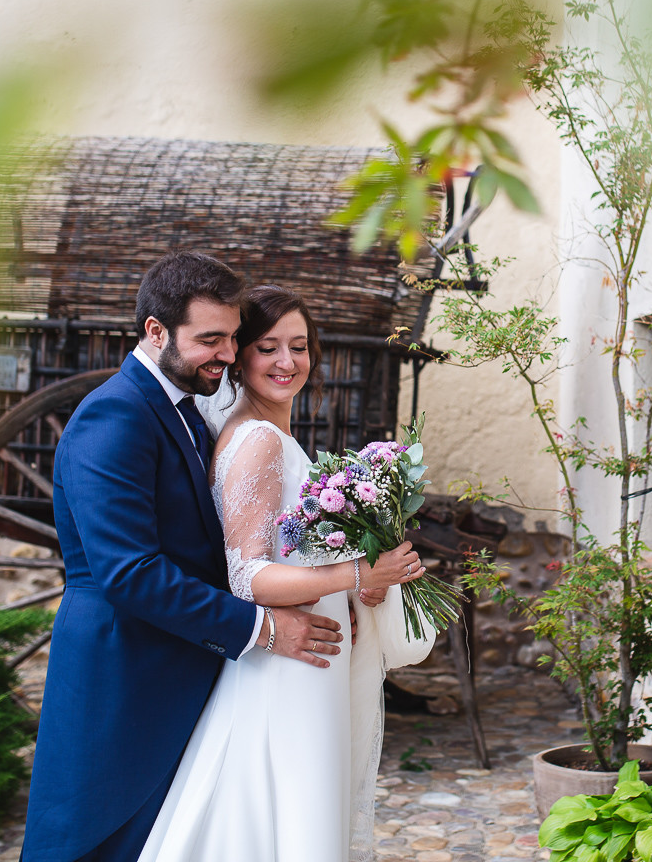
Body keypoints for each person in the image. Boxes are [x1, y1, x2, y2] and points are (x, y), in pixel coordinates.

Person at [22, 254, 347, 862]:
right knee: (90, 840)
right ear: (155, 331)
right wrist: (263, 628)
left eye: (230, 338)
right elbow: (129, 572)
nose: (226, 355)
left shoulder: (190, 413)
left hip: (186, 665)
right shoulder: (113, 416)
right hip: (122, 671)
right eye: (210, 340)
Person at [137, 284, 431, 862]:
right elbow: (247, 578)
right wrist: (358, 571)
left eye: (300, 346)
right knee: (285, 812)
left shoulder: (275, 436)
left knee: (300, 811)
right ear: (241, 358)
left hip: (313, 649)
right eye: (268, 347)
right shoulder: (258, 442)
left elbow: (295, 556)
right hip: (289, 659)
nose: (287, 362)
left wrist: (367, 577)